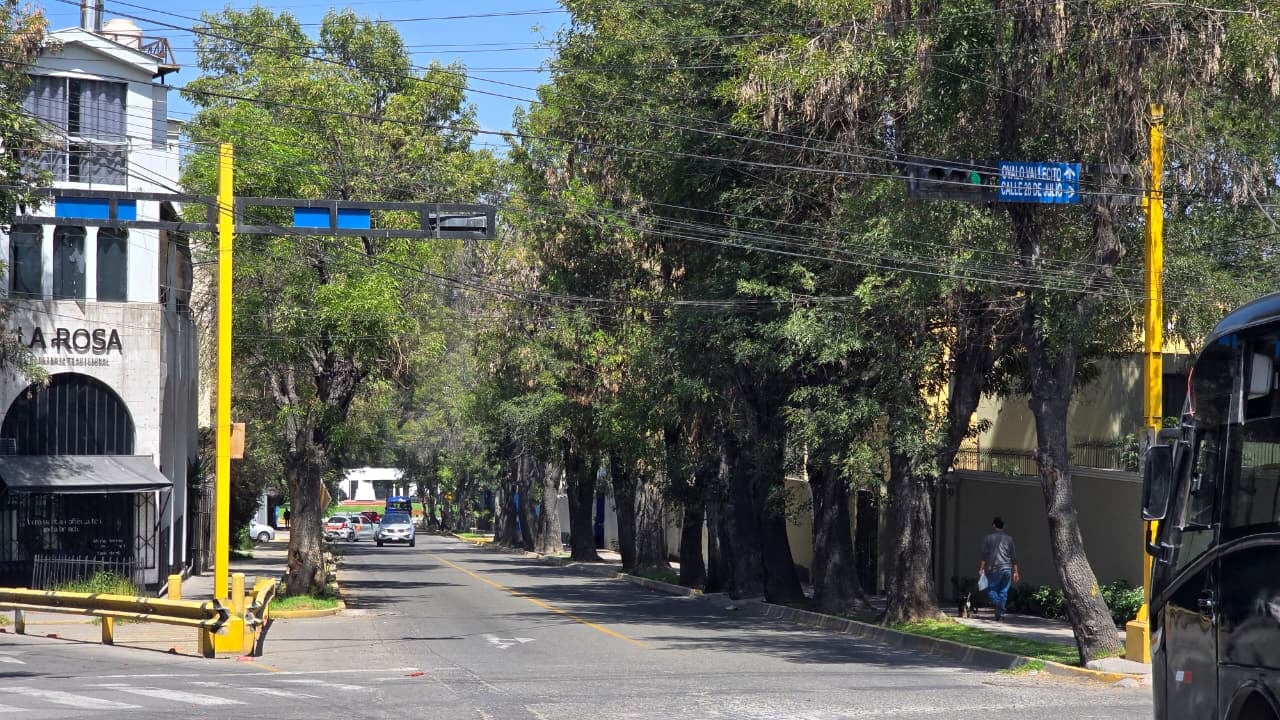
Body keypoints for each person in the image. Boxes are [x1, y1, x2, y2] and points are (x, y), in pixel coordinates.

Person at [978, 516, 1020, 621]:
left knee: (991, 590)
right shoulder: (1009, 539)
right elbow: (1014, 556)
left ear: (993, 525)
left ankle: (998, 605)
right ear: (1004, 526)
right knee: (1004, 592)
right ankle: (999, 615)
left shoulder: (988, 538)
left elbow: (984, 555)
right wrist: (1016, 572)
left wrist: (981, 568)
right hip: (1007, 569)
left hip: (994, 568)